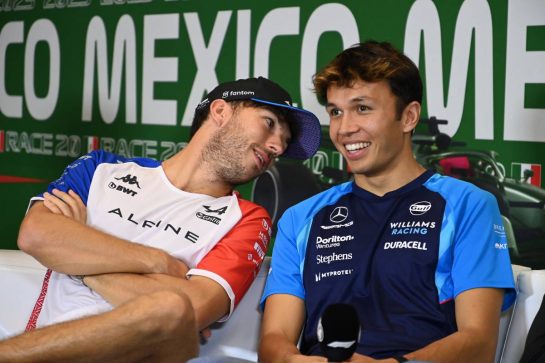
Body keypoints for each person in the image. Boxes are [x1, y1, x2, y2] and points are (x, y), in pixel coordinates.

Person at [0, 76, 321, 363]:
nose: (278, 145)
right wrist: (158, 263)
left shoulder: (248, 219)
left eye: (284, 140)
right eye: (269, 123)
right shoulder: (100, 168)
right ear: (221, 112)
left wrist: (79, 265)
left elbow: (189, 309)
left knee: (171, 309)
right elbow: (36, 236)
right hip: (44, 348)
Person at [258, 41, 516, 363]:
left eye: (362, 108)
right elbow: (274, 341)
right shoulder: (301, 218)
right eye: (336, 112)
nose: (345, 128)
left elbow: (478, 344)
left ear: (408, 117)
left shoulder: (468, 206)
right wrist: (295, 361)